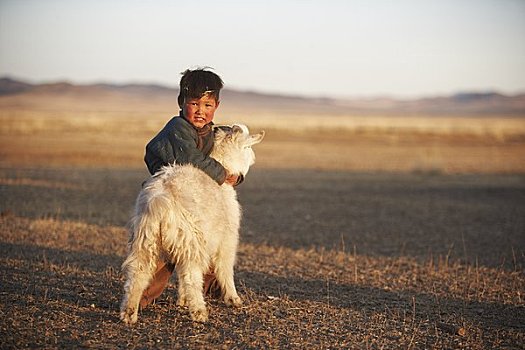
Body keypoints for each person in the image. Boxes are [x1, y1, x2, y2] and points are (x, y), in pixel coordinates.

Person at [139, 68, 242, 308]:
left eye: (207, 105)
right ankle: (140, 297)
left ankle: (212, 288)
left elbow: (230, 151)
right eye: (194, 103)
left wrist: (236, 177)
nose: (200, 111)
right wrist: (222, 174)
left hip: (192, 195)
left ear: (217, 105)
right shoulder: (178, 128)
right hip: (169, 192)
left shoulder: (212, 131)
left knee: (205, 239)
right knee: (163, 248)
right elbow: (193, 158)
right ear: (181, 102)